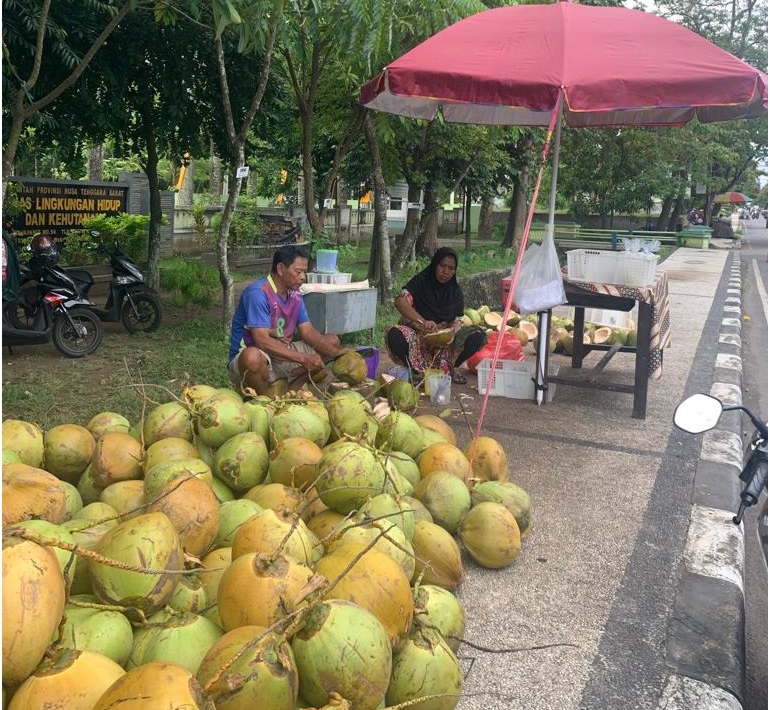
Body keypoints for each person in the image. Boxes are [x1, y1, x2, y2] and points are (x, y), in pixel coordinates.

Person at [228, 244, 347, 396]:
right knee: (252, 358)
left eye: (304, 271)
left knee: (331, 341)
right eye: (298, 271)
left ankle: (291, 389)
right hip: (255, 355)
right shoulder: (258, 293)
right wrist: (304, 358)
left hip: (283, 352)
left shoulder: (295, 294)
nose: (303, 277)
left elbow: (307, 331)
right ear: (280, 269)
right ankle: (266, 401)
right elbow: (262, 342)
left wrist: (333, 351)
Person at [386, 246, 486, 385]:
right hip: (419, 334)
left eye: (451, 268)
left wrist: (452, 331)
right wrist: (422, 322)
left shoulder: (455, 291)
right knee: (395, 334)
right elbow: (400, 302)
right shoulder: (421, 281)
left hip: (444, 343)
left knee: (476, 335)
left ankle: (448, 368)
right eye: (442, 266)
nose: (445, 272)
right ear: (435, 265)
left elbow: (457, 320)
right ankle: (416, 370)